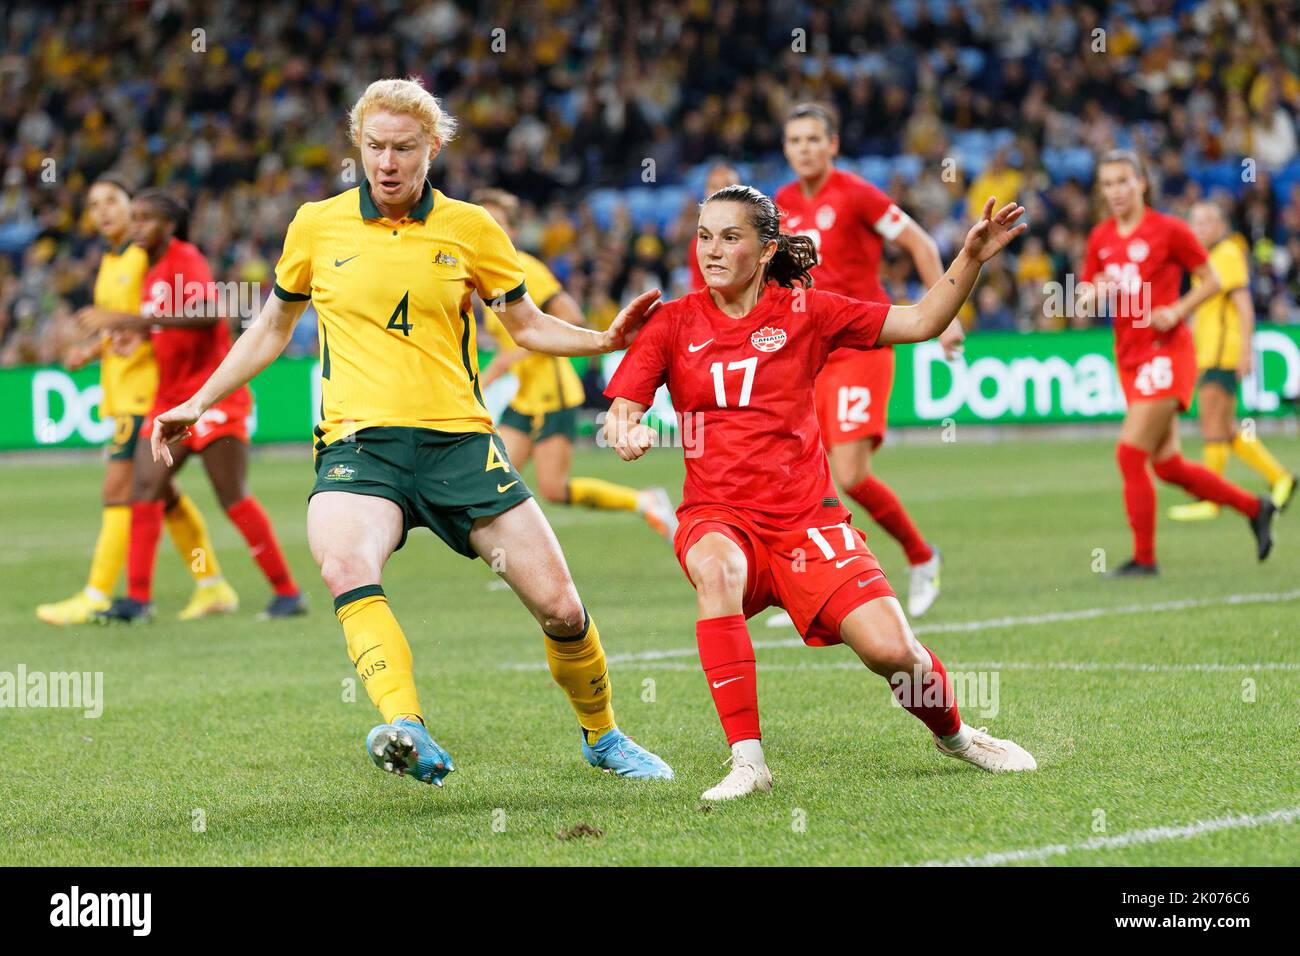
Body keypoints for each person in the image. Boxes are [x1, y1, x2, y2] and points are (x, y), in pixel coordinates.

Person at [150, 77, 672, 786]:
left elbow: (523, 323)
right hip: (359, 446)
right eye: (374, 148)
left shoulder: (472, 229)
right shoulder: (316, 225)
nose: (387, 163)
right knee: (344, 564)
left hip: (460, 442)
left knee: (560, 606)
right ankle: (405, 725)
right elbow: (271, 325)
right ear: (356, 147)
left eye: (403, 148)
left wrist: (603, 340)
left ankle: (604, 736)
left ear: (432, 148)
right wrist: (200, 399)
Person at [603, 184, 1036, 801]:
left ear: (766, 248)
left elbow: (920, 321)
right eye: (704, 236)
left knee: (894, 652)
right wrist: (626, 429)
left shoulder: (808, 311)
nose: (712, 250)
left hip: (808, 520)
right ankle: (748, 761)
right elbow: (622, 410)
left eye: (731, 237)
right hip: (718, 515)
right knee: (717, 569)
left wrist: (969, 258)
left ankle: (959, 736)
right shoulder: (671, 322)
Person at [79, 189, 306, 621]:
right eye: (137, 218)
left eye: (147, 219)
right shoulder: (150, 270)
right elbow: (167, 324)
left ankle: (287, 591)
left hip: (212, 395)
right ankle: (138, 600)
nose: (138, 225)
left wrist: (136, 321)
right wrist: (133, 336)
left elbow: (210, 312)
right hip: (171, 398)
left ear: (169, 226)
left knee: (232, 497)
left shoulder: (184, 258)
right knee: (145, 489)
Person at [775, 103, 963, 618]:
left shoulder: (856, 193)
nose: (805, 149)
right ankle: (807, 582)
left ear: (833, 144)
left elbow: (921, 243)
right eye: (795, 141)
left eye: (814, 139)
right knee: (802, 473)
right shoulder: (781, 203)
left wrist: (943, 316)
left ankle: (923, 557)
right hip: (808, 355)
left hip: (862, 344)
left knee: (852, 474)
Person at [37, 176, 235, 625]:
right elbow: (131, 325)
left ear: (134, 208)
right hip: (122, 385)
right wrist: (93, 348)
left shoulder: (143, 256)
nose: (103, 211)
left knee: (119, 489)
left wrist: (129, 330)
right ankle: (211, 583)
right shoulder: (112, 259)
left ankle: (97, 593)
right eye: (94, 204)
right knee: (163, 495)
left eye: (113, 201)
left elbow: (160, 316)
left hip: (146, 388)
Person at [1078, 151, 1277, 576]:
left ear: (1142, 183)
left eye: (1122, 182)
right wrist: (1094, 293)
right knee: (1167, 465)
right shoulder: (1100, 238)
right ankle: (1254, 506)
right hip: (1129, 356)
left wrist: (1177, 309)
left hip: (1166, 352)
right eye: (1107, 183)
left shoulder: (1168, 230)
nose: (1115, 191)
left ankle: (1145, 560)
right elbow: (1083, 296)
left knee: (1130, 454)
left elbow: (1213, 280)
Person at [473, 188, 677, 540]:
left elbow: (569, 315)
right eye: (482, 223)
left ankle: (644, 502)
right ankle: (515, 560)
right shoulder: (487, 272)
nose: (488, 229)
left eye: (497, 223)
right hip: (527, 396)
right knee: (494, 484)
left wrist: (507, 359)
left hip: (553, 393)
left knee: (549, 488)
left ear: (514, 231)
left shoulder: (525, 269)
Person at [1168, 200, 1295, 521]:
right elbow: (1205, 311)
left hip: (1223, 352)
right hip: (1208, 351)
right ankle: (1281, 477)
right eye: (1194, 223)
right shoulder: (1208, 259)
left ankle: (1212, 500)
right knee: (1224, 427)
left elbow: (1243, 306)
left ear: (1220, 225)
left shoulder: (1227, 254)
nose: (1198, 230)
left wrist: (1245, 352)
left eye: (1205, 223)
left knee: (1212, 424)